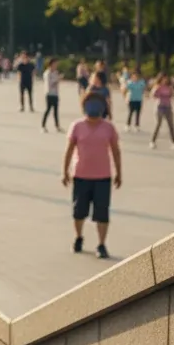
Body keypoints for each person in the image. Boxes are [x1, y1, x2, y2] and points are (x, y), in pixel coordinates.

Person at [63, 89, 122, 260]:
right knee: (79, 211)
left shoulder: (109, 128)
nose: (93, 107)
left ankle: (102, 244)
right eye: (90, 104)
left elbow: (116, 152)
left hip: (103, 176)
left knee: (102, 212)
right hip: (81, 175)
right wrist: (65, 171)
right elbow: (69, 150)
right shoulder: (77, 126)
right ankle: (78, 237)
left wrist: (119, 172)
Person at [149, 72, 174, 150]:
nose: (165, 80)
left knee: (171, 125)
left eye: (166, 78)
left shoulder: (169, 87)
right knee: (158, 124)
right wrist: (156, 91)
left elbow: (173, 95)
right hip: (160, 107)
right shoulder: (158, 87)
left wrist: (172, 91)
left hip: (168, 107)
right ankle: (152, 141)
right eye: (163, 78)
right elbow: (153, 95)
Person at [41, 57, 63, 132]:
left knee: (56, 111)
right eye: (55, 63)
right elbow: (49, 85)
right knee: (48, 109)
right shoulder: (47, 73)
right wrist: (57, 80)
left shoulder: (56, 72)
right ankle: (43, 125)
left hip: (55, 94)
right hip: (49, 93)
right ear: (51, 64)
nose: (56, 65)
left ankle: (57, 126)